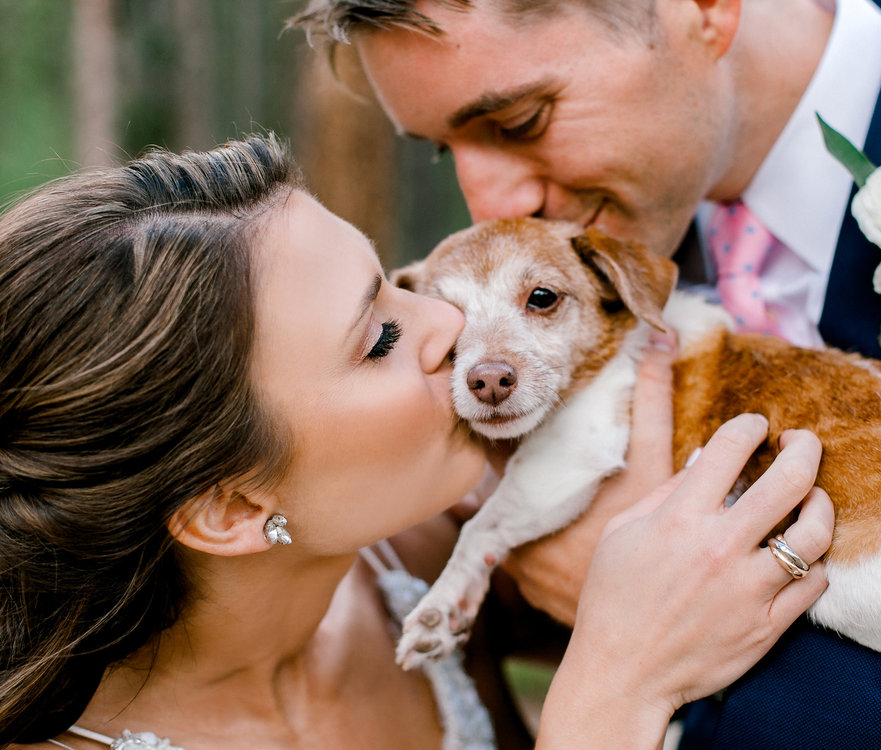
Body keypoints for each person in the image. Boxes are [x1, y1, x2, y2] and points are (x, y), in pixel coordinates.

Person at [288, 0, 881, 746]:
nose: (490, 204)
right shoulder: (619, 251)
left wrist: (660, 645)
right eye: (443, 149)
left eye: (522, 119)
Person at [0, 134, 834, 750]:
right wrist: (613, 689)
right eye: (380, 339)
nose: (446, 320)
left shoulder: (428, 563)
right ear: (232, 505)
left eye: (397, 284)